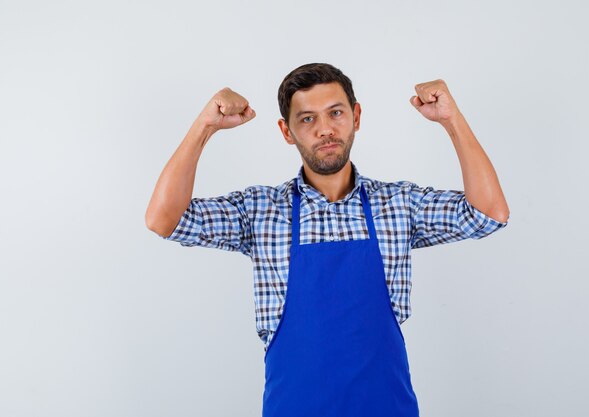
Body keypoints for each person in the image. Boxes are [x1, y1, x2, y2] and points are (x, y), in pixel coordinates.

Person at [145, 63, 509, 417]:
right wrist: (205, 127)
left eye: (335, 113)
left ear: (356, 117)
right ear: (287, 132)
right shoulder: (259, 212)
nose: (324, 129)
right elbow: (163, 219)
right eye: (307, 119)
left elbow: (489, 213)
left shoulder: (399, 205)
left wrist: (451, 120)